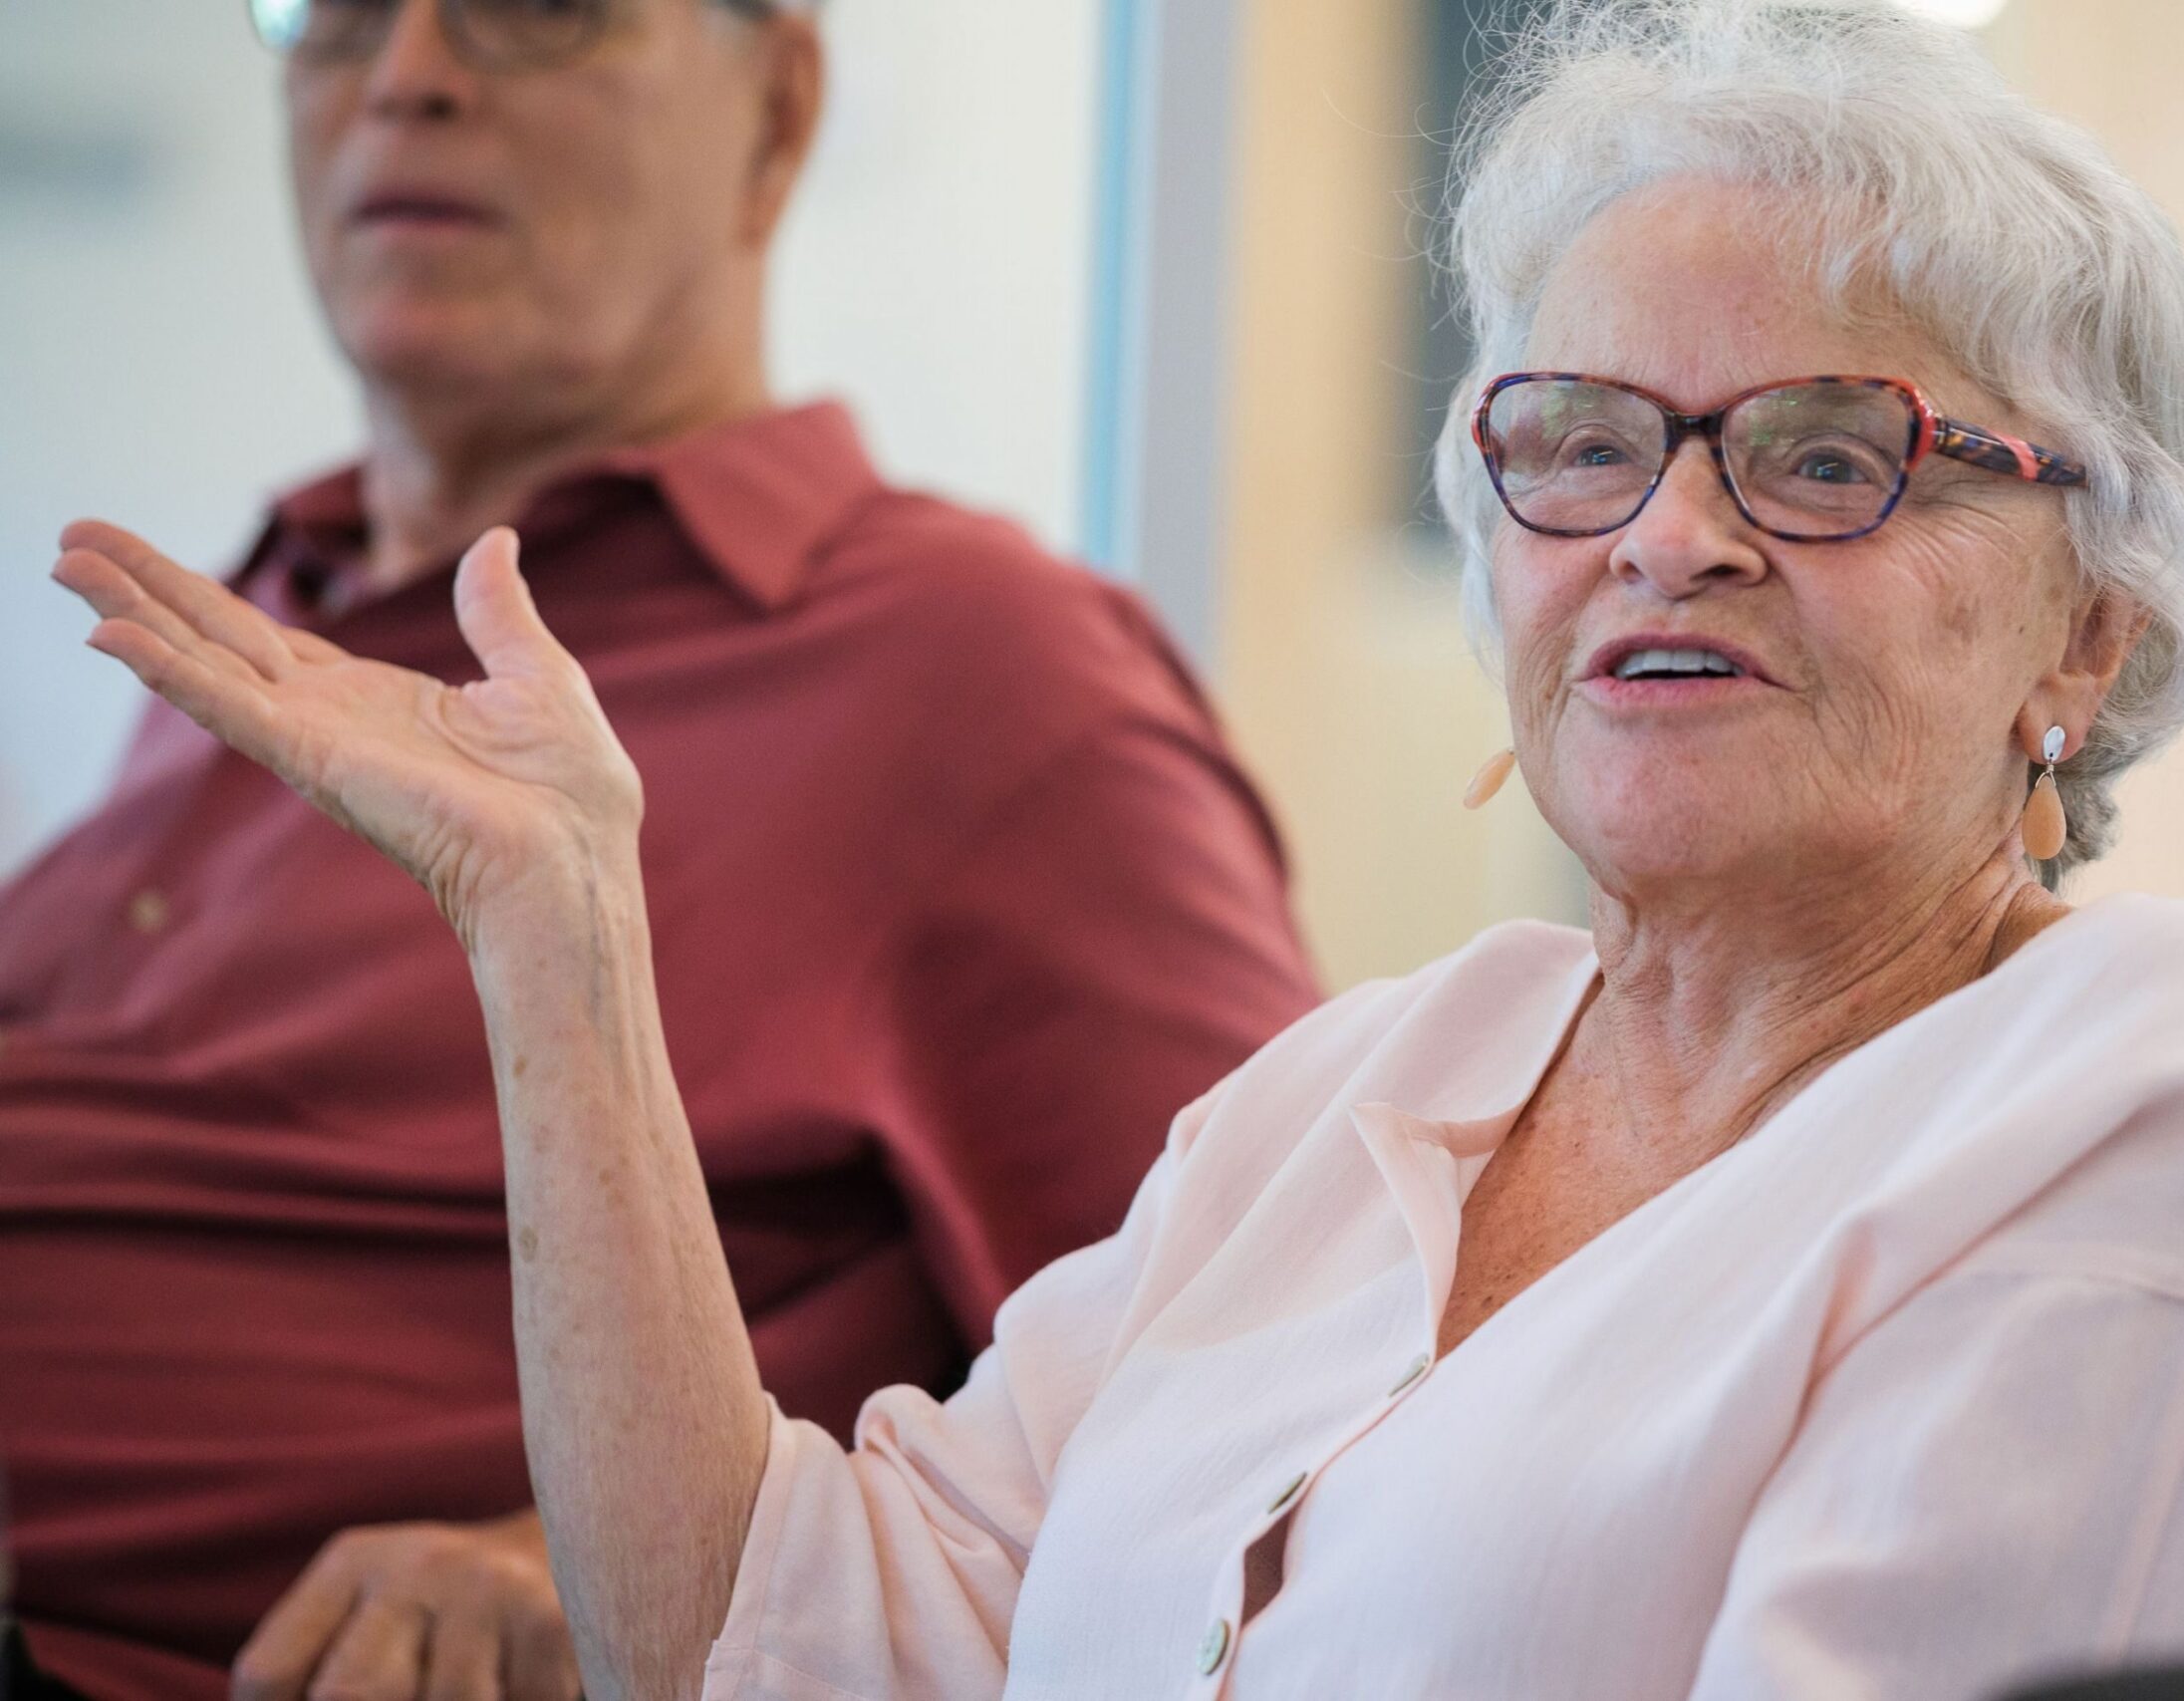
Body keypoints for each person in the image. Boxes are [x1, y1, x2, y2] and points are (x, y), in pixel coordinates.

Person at [50, 0, 2184, 1695]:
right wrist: (561, 938)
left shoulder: (2145, 1063)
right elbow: (758, 1644)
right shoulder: (1353, 1096)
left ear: (2089, 620)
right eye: (1577, 438)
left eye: (1823, 450)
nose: (1664, 535)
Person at [0, 0, 1318, 1696]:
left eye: (535, 7)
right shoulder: (254, 616)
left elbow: (1284, 1431)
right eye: (331, 8)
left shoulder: (984, 677)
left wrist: (615, 1559)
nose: (405, 71)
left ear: (773, 114)